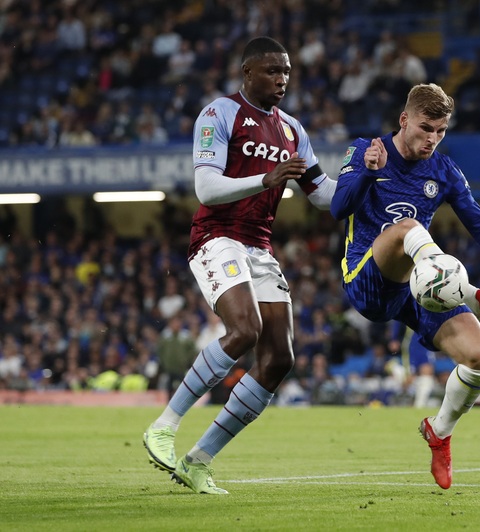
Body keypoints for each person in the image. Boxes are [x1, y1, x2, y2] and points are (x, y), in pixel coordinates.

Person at [330, 83, 480, 490]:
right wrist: (367, 171)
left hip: (417, 283)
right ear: (404, 120)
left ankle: (440, 431)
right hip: (367, 282)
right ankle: (474, 295)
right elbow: (337, 208)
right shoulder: (367, 149)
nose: (432, 139)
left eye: (441, 130)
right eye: (425, 128)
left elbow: (479, 223)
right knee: (408, 229)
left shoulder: (444, 171)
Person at [143, 37, 336, 495]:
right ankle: (164, 426)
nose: (282, 79)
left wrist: (367, 176)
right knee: (244, 331)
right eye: (272, 70)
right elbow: (207, 189)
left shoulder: (292, 130)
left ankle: (198, 459)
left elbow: (325, 196)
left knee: (278, 359)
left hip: (259, 248)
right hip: (217, 236)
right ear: (247, 72)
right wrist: (265, 178)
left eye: (286, 71)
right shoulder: (219, 114)